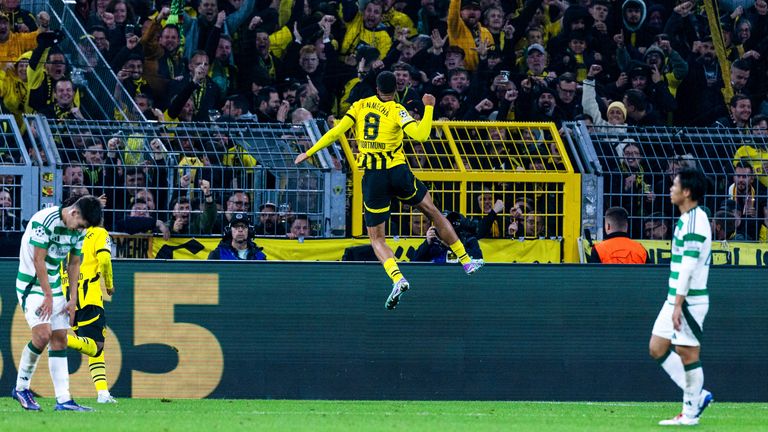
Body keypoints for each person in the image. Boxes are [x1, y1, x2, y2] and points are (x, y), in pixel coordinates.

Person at [295, 71, 483, 310]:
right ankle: (466, 261)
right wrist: (427, 108)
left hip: (373, 176)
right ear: (396, 91)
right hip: (397, 170)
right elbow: (421, 135)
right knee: (432, 211)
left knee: (376, 238)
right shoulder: (397, 110)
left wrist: (309, 152)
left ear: (376, 89)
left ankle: (397, 278)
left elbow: (336, 132)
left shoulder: (360, 106)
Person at [12, 195, 102, 411]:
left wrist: (72, 298)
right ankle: (21, 388)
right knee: (42, 335)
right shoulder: (45, 221)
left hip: (54, 286)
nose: (79, 230)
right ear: (74, 212)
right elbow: (38, 260)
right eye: (80, 225)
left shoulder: (79, 229)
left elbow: (74, 262)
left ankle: (64, 400)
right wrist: (49, 296)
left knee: (60, 339)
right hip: (32, 284)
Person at [649, 167, 714, 426]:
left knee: (687, 353)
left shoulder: (696, 220)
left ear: (686, 192)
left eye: (674, 185)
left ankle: (690, 412)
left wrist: (677, 304)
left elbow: (688, 266)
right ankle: (697, 396)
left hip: (688, 300)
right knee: (657, 347)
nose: (670, 189)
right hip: (676, 297)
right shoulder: (687, 218)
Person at [60, 196, 117, 404]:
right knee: (97, 345)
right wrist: (109, 283)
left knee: (94, 350)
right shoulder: (99, 233)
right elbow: (104, 258)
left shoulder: (67, 235)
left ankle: (102, 393)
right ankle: (61, 339)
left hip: (69, 299)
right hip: (90, 297)